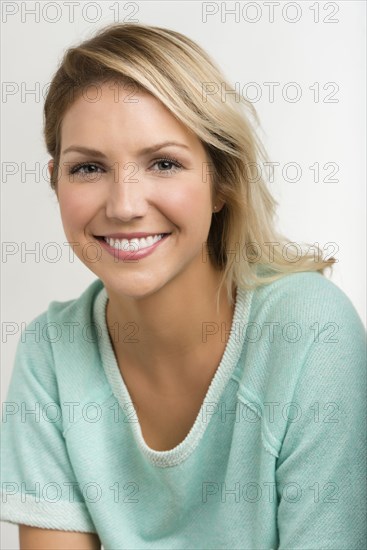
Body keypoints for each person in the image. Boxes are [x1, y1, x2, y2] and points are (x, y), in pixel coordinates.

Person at [1, 22, 366, 550]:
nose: (124, 205)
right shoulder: (50, 353)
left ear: (221, 181)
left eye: (164, 163)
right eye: (88, 168)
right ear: (56, 180)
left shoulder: (310, 334)